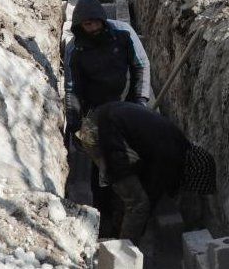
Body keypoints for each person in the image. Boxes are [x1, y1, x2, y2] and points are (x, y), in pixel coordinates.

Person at [62, 0, 152, 226]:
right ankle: (104, 217)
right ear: (79, 25)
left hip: (126, 107)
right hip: (97, 114)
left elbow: (141, 66)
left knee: (130, 160)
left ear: (102, 20)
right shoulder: (76, 49)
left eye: (95, 22)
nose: (91, 27)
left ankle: (129, 211)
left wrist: (140, 102)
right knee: (100, 167)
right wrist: (74, 122)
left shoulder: (123, 34)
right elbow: (72, 87)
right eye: (86, 24)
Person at [75, 101, 216, 242]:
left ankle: (115, 232)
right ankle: (124, 255)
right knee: (138, 203)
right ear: (192, 173)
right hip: (99, 133)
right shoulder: (169, 157)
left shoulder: (178, 144)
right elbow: (151, 192)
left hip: (99, 121)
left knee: (130, 189)